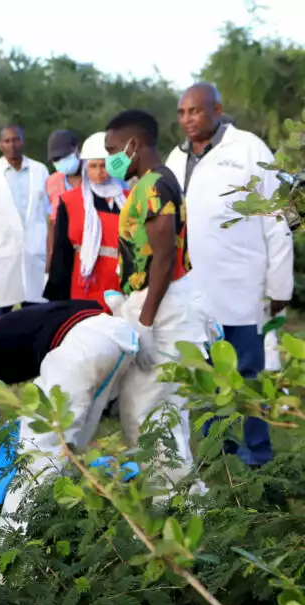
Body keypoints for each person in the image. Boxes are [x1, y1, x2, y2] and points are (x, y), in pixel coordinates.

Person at [165, 83, 293, 468]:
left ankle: (257, 453)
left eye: (196, 111)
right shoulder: (176, 157)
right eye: (182, 113)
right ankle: (214, 450)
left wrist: (279, 284)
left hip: (242, 288)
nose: (188, 119)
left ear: (217, 109)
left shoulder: (249, 149)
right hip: (194, 294)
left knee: (248, 374)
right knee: (204, 377)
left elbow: (278, 220)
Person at [0, 296, 138, 532]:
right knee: (69, 445)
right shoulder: (13, 324)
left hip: (82, 347)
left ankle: (10, 553)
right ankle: (74, 519)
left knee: (36, 453)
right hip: (120, 332)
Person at [105, 109, 212, 485]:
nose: (110, 159)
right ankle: (176, 495)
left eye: (114, 149)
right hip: (157, 300)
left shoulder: (154, 185)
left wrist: (145, 320)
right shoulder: (152, 183)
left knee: (149, 409)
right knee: (158, 407)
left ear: (135, 145)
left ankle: (179, 500)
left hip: (161, 307)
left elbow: (164, 256)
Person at [44, 132, 127, 309]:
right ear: (85, 167)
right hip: (84, 288)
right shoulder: (69, 202)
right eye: (93, 166)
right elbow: (62, 254)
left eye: (104, 165)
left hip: (120, 289)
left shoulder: (128, 200)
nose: (99, 172)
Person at [0, 126, 52, 314]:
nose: (12, 145)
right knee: (2, 313)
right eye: (7, 141)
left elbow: (47, 211)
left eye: (16, 139)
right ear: (0, 145)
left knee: (37, 311)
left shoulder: (39, 170)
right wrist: (2, 237)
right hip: (4, 253)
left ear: (23, 141)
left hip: (35, 251)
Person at [45, 130, 83, 272]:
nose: (61, 161)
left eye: (65, 156)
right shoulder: (52, 183)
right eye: (56, 159)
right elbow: (53, 224)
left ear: (76, 149)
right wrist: (50, 262)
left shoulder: (97, 174)